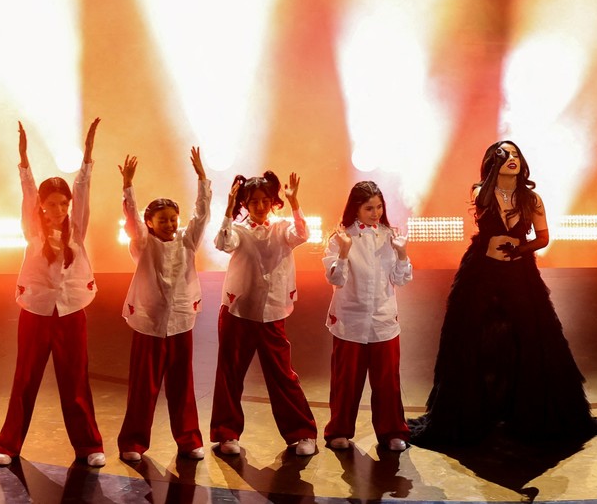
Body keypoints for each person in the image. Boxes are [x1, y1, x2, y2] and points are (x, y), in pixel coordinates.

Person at [408, 140, 597, 447]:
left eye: (515, 155)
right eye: (503, 156)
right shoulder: (481, 191)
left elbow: (543, 237)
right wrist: (494, 173)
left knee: (531, 336)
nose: (511, 159)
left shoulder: (533, 198)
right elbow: (488, 204)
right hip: (481, 273)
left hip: (519, 273)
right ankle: (472, 413)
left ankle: (527, 412)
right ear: (492, 163)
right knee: (472, 338)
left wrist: (521, 248)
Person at [0, 119, 106, 467]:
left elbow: (84, 189)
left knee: (75, 380)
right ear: (41, 206)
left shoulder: (77, 229)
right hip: (37, 311)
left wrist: (87, 156)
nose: (58, 210)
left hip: (71, 311)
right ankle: (9, 446)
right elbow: (28, 191)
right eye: (52, 204)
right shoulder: (33, 230)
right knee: (25, 378)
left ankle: (89, 446)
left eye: (63, 204)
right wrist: (24, 159)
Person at [210, 170, 319, 456]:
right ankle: (226, 433)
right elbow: (222, 243)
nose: (259, 206)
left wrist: (295, 203)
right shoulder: (238, 229)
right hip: (237, 310)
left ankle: (303, 433)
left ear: (273, 202)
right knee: (230, 373)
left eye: (264, 201)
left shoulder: (282, 227)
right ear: (245, 204)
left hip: (271, 312)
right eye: (253, 202)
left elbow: (302, 234)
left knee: (282, 374)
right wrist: (227, 208)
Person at [116, 147, 211, 462]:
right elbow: (131, 219)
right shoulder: (143, 245)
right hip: (149, 323)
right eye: (163, 220)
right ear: (150, 222)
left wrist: (201, 178)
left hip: (181, 321)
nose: (170, 224)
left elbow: (202, 215)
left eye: (173, 219)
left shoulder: (186, 242)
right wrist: (128, 186)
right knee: (144, 386)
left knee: (182, 385)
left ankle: (188, 440)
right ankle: (133, 443)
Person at [322, 181, 412, 452]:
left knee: (387, 380)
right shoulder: (340, 237)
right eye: (369, 208)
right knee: (346, 380)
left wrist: (402, 253)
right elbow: (336, 279)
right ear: (356, 210)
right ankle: (338, 431)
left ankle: (393, 431)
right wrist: (346, 250)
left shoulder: (390, 235)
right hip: (350, 319)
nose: (376, 213)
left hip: (384, 319)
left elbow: (401, 278)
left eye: (379, 207)